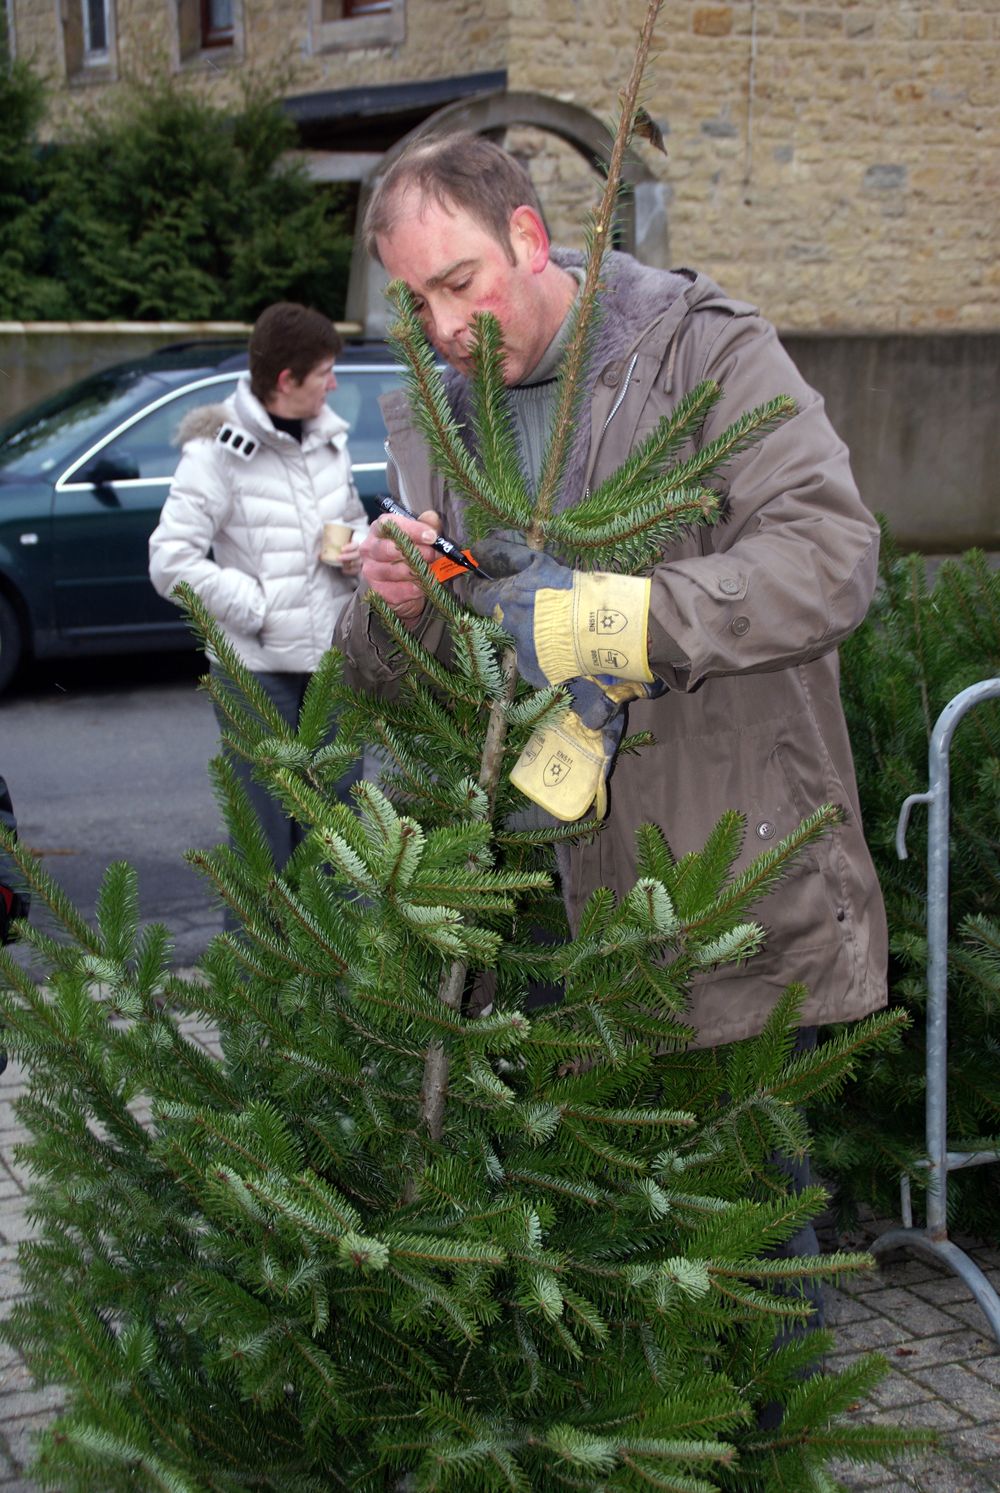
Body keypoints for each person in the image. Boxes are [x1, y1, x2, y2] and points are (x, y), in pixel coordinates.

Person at [334, 132, 888, 1053]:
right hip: (511, 918)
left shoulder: (703, 352)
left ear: (528, 236)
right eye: (416, 302)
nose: (443, 329)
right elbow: (395, 690)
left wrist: (606, 620)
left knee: (759, 1191)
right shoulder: (439, 423)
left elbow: (832, 559)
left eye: (460, 283)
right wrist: (397, 608)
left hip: (719, 902)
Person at [150, 302, 368, 872]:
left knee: (337, 834)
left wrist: (356, 554)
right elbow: (169, 561)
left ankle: (338, 961)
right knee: (263, 841)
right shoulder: (215, 452)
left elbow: (351, 516)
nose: (334, 384)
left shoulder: (328, 439)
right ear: (286, 380)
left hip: (331, 662)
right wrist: (255, 606)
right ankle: (255, 963)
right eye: (324, 374)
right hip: (255, 670)